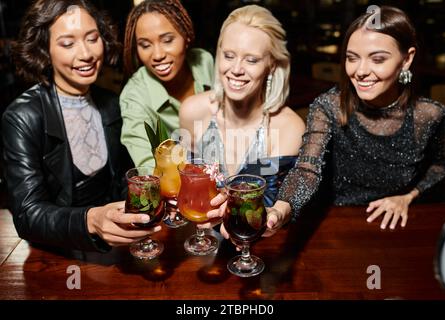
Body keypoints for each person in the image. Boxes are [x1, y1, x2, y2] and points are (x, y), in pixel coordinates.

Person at [268, 5, 445, 233]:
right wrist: (281, 209)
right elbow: (307, 169)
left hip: (394, 226)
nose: (360, 71)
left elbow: (442, 167)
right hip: (334, 223)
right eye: (352, 58)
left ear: (406, 59)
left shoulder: (430, 115)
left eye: (377, 59)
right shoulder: (328, 107)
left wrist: (408, 196)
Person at [2, 0, 159, 253]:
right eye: (67, 43)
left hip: (114, 247)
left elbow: (121, 180)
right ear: (44, 50)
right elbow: (27, 215)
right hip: (55, 253)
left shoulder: (111, 103)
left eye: (92, 38)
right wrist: (91, 220)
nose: (86, 54)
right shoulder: (22, 117)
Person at [179, 5, 305, 222]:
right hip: (201, 243)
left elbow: (285, 205)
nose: (236, 69)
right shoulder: (192, 111)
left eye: (251, 60)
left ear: (272, 65)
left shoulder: (289, 127)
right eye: (229, 55)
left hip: (259, 245)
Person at [120, 0, 214, 167]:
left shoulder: (205, 62)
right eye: (145, 45)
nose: (157, 55)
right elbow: (147, 167)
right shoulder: (134, 95)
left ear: (186, 36)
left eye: (167, 40)